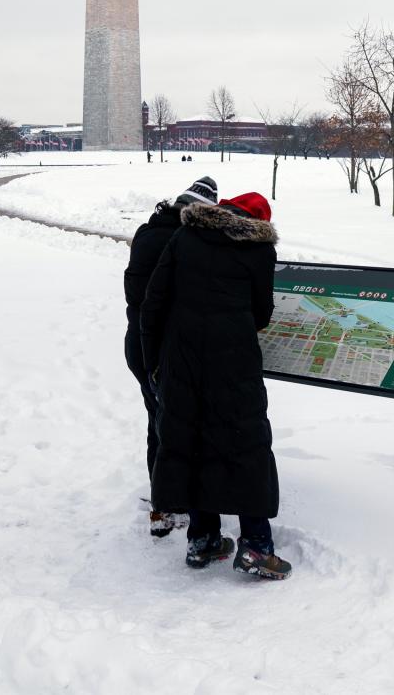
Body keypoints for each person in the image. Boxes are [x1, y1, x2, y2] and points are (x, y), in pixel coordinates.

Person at [141, 191, 291, 580]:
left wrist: (154, 362)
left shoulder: (185, 236)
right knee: (245, 443)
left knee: (188, 439)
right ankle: (256, 546)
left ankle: (202, 539)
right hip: (234, 361)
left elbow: (154, 301)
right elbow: (261, 311)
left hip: (182, 358)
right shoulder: (259, 249)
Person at [124, 176, 218, 537]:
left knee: (157, 421)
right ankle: (170, 505)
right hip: (166, 348)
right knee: (174, 426)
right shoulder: (179, 242)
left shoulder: (148, 233)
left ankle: (163, 505)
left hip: (138, 342)